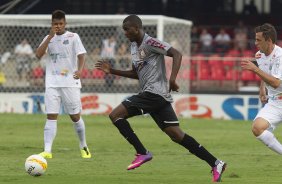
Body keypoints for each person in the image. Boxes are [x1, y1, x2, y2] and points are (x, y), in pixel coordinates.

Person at [95, 15, 226, 182]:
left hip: (154, 94)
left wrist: (172, 79)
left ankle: (142, 152)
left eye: (127, 29)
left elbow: (176, 54)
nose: (125, 33)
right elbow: (137, 74)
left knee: (115, 115)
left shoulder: (150, 42)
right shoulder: (134, 47)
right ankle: (216, 163)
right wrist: (112, 71)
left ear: (136, 28)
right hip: (157, 97)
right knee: (176, 135)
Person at [35, 10, 91, 159]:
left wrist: (80, 70)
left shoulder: (73, 37)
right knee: (51, 116)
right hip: (52, 83)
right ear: (51, 24)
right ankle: (47, 150)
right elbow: (38, 54)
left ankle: (83, 145)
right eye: (55, 24)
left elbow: (81, 55)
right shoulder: (48, 38)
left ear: (65, 23)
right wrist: (49, 37)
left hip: (70, 82)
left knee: (75, 116)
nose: (58, 26)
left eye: (60, 24)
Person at [241, 23, 282, 155]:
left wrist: (254, 69)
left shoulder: (280, 56)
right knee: (257, 128)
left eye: (259, 40)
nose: (255, 43)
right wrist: (262, 88)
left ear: (269, 40)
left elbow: (276, 83)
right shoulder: (259, 55)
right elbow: (265, 74)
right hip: (275, 102)